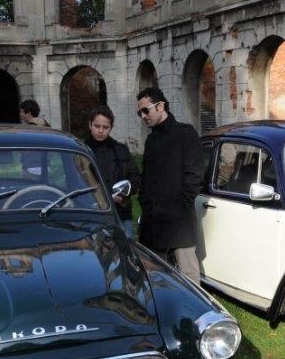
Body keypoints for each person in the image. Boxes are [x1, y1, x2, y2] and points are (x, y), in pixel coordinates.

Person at [135, 87, 205, 283]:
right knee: (155, 277)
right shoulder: (150, 140)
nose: (143, 116)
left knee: (189, 277)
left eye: (146, 110)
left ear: (161, 106)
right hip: (153, 222)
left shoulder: (185, 134)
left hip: (179, 221)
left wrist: (181, 204)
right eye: (139, 112)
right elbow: (146, 177)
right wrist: (145, 202)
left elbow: (195, 174)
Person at [85, 105, 141, 238]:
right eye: (97, 126)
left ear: (111, 127)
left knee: (126, 248)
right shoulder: (83, 151)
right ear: (90, 125)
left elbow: (136, 177)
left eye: (105, 127)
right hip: (92, 214)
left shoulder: (121, 150)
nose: (101, 131)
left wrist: (121, 194)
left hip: (121, 213)